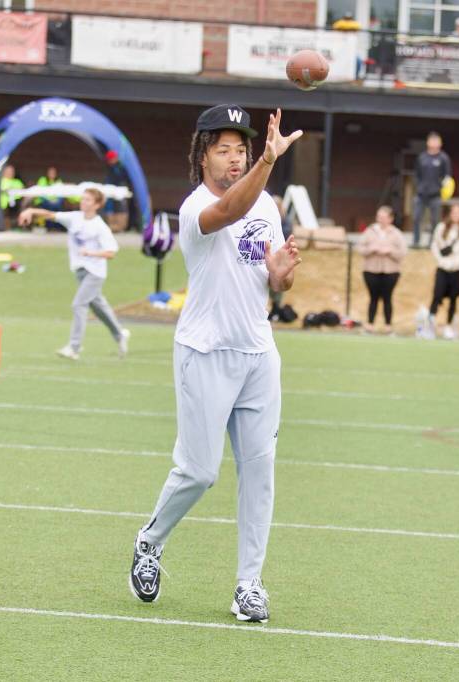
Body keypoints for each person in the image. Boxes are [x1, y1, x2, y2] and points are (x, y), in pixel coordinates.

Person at [129, 105, 302, 624]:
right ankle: (150, 540)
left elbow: (275, 279)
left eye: (242, 150)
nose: (235, 157)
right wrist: (268, 162)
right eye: (224, 149)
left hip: (257, 355)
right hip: (204, 352)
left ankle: (249, 584)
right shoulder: (194, 207)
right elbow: (228, 212)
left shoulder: (266, 205)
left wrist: (281, 273)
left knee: (259, 473)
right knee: (200, 472)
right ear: (202, 156)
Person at [18, 188, 129, 358]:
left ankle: (74, 347)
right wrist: (31, 210)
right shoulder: (74, 218)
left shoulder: (100, 226)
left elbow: (111, 252)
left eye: (88, 200)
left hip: (95, 273)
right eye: (83, 199)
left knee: (79, 304)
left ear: (97, 205)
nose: (83, 202)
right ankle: (120, 334)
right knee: (99, 307)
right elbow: (50, 214)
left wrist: (91, 253)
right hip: (80, 272)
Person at [426, 204, 459, 339]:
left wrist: (457, 262)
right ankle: (431, 323)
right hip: (443, 267)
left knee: (453, 299)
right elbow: (435, 245)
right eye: (453, 212)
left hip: (458, 269)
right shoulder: (441, 228)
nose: (455, 215)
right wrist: (441, 260)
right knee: (437, 295)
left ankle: (448, 326)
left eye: (458, 213)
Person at [357, 205, 406, 332]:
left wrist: (390, 251)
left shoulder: (396, 233)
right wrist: (371, 249)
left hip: (391, 271)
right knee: (373, 298)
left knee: (387, 298)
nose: (380, 220)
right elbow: (360, 248)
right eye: (379, 217)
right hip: (371, 270)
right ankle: (370, 324)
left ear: (390, 219)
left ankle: (388, 326)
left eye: (383, 217)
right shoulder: (370, 230)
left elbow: (402, 252)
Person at [412, 131, 451, 248]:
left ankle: (432, 243)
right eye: (432, 140)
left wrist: (442, 189)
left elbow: (447, 176)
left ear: (440, 143)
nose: (434, 143)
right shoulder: (422, 157)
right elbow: (416, 174)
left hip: (436, 195)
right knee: (416, 218)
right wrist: (418, 186)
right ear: (428, 142)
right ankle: (416, 242)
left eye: (436, 141)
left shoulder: (443, 158)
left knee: (435, 221)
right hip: (420, 194)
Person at [103, 150, 130, 232]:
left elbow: (122, 178)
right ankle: (111, 226)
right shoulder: (111, 167)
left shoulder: (121, 167)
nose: (109, 161)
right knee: (109, 207)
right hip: (110, 189)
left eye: (110, 159)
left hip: (120, 190)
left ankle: (120, 227)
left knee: (121, 208)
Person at [0, 164, 25, 230]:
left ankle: (20, 225)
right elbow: (1, 190)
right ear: (4, 172)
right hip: (4, 201)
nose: (11, 173)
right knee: (7, 209)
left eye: (12, 171)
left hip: (17, 201)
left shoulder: (17, 181)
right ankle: (7, 226)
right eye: (9, 171)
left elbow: (23, 190)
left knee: (20, 206)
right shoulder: (1, 181)